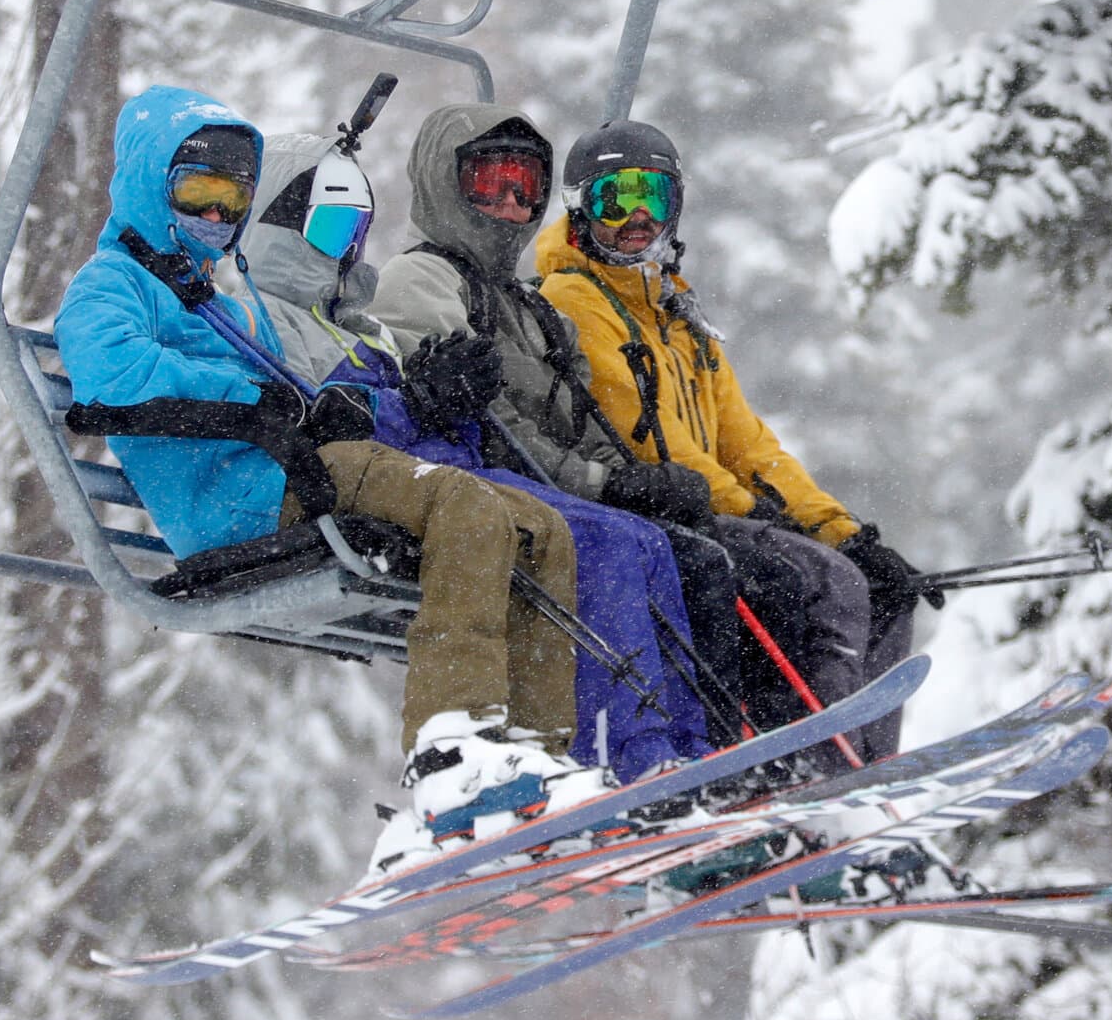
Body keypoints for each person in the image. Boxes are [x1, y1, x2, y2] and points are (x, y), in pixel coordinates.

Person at [52, 86, 585, 838]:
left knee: (537, 525)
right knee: (465, 507)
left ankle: (532, 758)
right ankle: (450, 753)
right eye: (196, 193)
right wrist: (264, 400)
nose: (214, 216)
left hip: (291, 469)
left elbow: (302, 380)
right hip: (242, 497)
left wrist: (352, 403)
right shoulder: (112, 286)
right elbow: (116, 378)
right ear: (148, 186)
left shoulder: (220, 297)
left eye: (231, 200)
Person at [240, 128, 711, 801]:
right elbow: (334, 420)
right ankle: (626, 758)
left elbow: (416, 412)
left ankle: (679, 753)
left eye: (355, 225)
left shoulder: (371, 319)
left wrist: (433, 397)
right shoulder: (271, 312)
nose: (513, 204)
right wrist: (420, 402)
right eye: (328, 223)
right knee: (598, 540)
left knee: (647, 541)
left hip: (442, 471)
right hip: (377, 489)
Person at [535, 118, 941, 761]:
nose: (639, 217)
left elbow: (750, 446)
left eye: (656, 198)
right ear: (582, 210)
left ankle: (869, 767)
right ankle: (813, 769)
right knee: (824, 583)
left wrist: (839, 529)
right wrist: (765, 518)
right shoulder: (572, 298)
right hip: (656, 508)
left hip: (713, 506)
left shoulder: (674, 310)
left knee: (879, 585)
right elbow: (656, 447)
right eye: (618, 199)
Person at [370, 104, 761, 734]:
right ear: (446, 184)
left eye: (525, 186)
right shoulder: (422, 279)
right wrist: (605, 486)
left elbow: (581, 421)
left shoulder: (531, 309)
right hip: (487, 487)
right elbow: (487, 428)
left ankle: (706, 746)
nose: (509, 204)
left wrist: (636, 480)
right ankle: (633, 748)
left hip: (546, 486)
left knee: (696, 557)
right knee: (633, 553)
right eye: (488, 183)